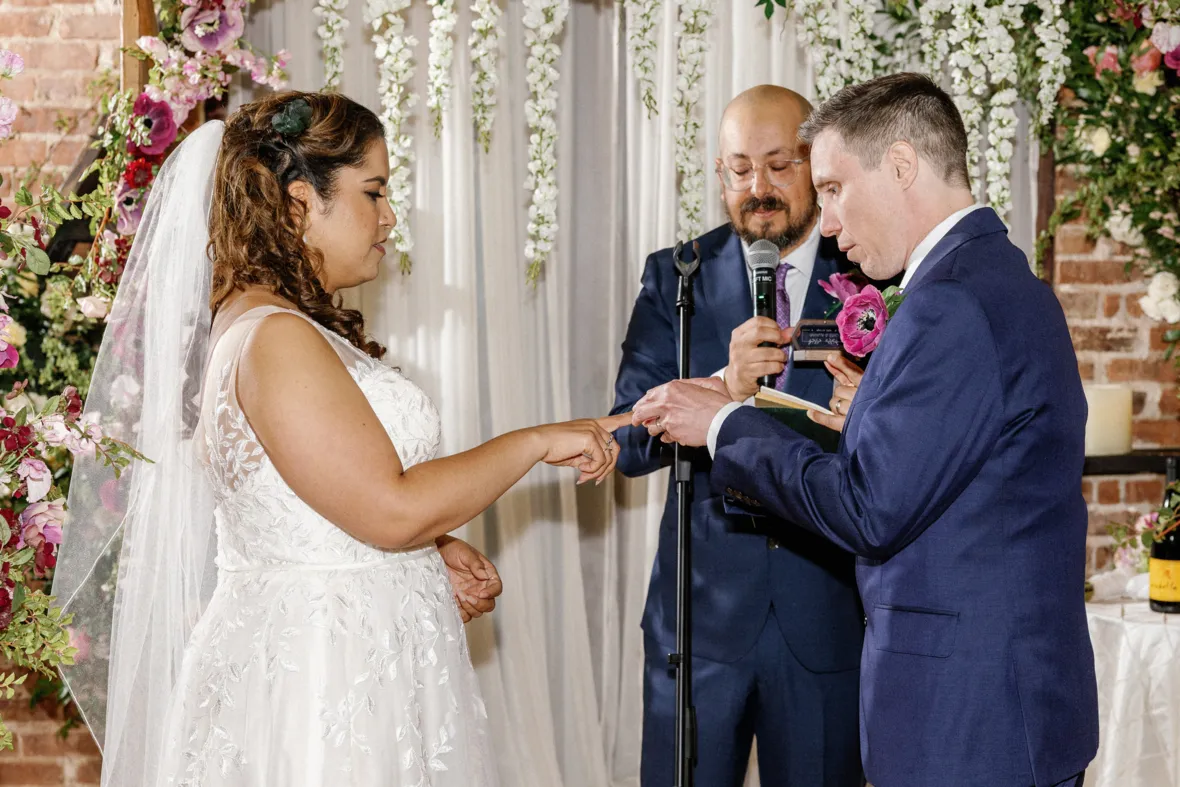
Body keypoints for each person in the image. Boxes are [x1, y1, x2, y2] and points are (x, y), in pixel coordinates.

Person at [56, 91, 628, 787]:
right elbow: (391, 509)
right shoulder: (275, 338)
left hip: (354, 659)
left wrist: (430, 550)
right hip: (321, 680)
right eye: (374, 192)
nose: (389, 217)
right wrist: (535, 441)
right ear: (300, 202)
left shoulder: (276, 323)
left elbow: (320, 494)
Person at [630, 72, 1099, 787]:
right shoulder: (1002, 278)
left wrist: (725, 421)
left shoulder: (948, 304)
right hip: (1002, 700)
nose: (830, 223)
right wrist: (867, 426)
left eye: (834, 188)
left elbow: (869, 508)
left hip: (970, 719)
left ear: (902, 166)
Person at [611, 85, 864, 787]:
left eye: (780, 165)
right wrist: (722, 386)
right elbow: (628, 442)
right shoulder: (676, 276)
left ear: (815, 165)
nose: (760, 188)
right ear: (719, 174)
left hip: (826, 616)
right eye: (741, 168)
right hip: (699, 626)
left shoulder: (872, 276)